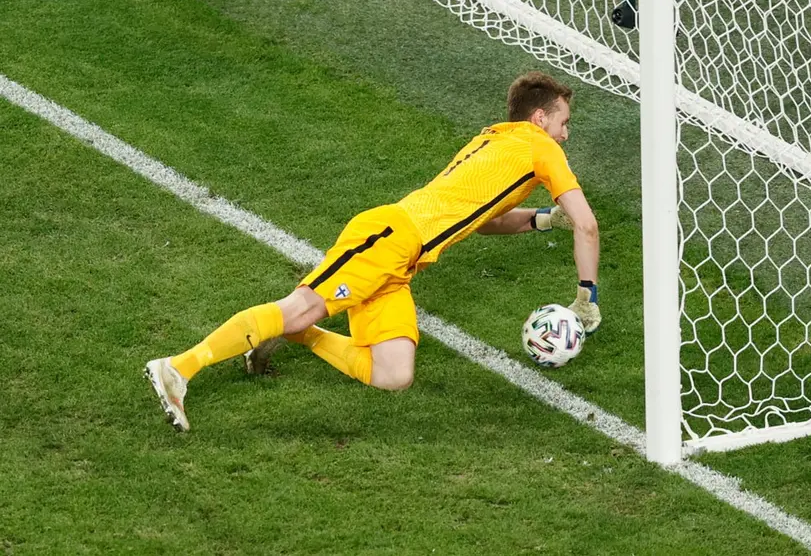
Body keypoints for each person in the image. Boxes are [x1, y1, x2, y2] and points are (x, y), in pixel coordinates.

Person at [145, 71, 601, 432]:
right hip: (387, 238)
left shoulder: (495, 141)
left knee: (393, 373)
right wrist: (586, 298)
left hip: (400, 258)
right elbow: (588, 224)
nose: (565, 136)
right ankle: (177, 369)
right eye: (564, 123)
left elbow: (482, 222)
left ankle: (298, 336)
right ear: (540, 119)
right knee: (300, 307)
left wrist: (542, 219)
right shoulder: (540, 147)